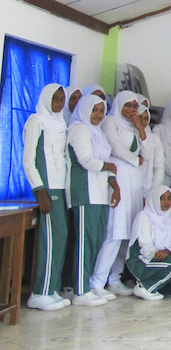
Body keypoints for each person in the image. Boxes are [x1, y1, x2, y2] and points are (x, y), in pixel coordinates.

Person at [66, 95, 121, 306]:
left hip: (100, 194)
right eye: (94, 110)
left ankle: (86, 285)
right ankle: (80, 291)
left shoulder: (97, 132)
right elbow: (86, 160)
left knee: (97, 239)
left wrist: (114, 184)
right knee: (84, 242)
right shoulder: (79, 129)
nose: (98, 115)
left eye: (101, 110)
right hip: (85, 192)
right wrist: (109, 167)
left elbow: (107, 163)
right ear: (84, 110)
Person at [23, 84, 72, 311]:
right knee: (50, 239)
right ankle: (39, 292)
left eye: (62, 98)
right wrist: (39, 189)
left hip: (60, 187)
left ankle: (51, 288)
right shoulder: (37, 121)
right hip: (47, 188)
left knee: (60, 237)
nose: (59, 102)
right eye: (55, 98)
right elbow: (28, 160)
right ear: (45, 98)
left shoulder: (61, 123)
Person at [94, 91, 145, 298]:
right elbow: (116, 149)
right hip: (119, 178)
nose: (131, 109)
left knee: (127, 234)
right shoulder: (109, 122)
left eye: (134, 106)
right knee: (114, 233)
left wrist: (140, 127)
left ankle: (114, 278)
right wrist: (135, 160)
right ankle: (97, 281)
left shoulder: (132, 125)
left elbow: (146, 152)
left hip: (134, 181)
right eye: (128, 105)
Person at [125, 186, 171, 300]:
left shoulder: (168, 219)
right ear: (154, 199)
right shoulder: (144, 217)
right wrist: (159, 253)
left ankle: (159, 285)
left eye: (169, 198)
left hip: (161, 261)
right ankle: (145, 286)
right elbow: (145, 248)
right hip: (142, 262)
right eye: (162, 198)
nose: (166, 202)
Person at [136, 106, 165, 195]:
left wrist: (153, 192)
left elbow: (159, 166)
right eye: (140, 117)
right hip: (130, 186)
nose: (143, 122)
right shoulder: (127, 137)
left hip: (148, 189)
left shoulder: (153, 139)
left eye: (146, 118)